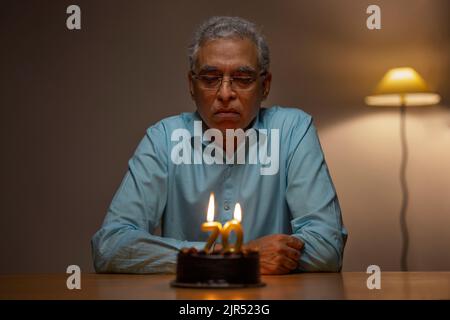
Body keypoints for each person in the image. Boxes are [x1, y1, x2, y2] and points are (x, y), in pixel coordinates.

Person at [91, 16, 347, 275]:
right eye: (211, 78)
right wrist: (238, 258)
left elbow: (328, 247)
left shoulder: (293, 130)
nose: (225, 94)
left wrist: (201, 260)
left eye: (243, 78)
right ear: (192, 86)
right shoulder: (164, 138)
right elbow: (110, 246)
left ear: (265, 86)